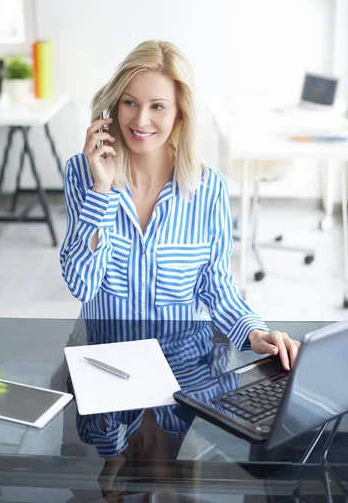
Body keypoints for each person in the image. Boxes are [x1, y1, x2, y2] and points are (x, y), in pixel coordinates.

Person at [60, 40, 300, 370]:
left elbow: (216, 285)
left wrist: (255, 331)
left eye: (157, 106)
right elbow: (81, 285)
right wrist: (101, 190)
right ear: (113, 107)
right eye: (130, 103)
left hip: (183, 367)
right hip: (104, 362)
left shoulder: (209, 188)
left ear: (179, 114)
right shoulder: (81, 173)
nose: (141, 120)